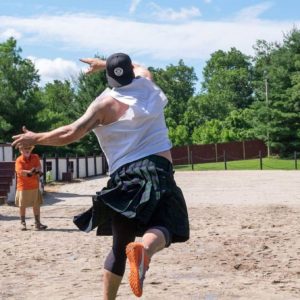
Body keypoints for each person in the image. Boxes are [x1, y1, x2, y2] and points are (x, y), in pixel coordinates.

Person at [12, 53, 189, 299]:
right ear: (130, 71)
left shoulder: (105, 104)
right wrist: (105, 63)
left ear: (109, 78)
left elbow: (70, 133)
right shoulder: (148, 83)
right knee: (167, 224)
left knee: (119, 246)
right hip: (159, 170)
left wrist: (36, 137)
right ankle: (144, 251)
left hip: (125, 176)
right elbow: (139, 66)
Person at [15, 145, 47, 231]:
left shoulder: (35, 156)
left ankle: (37, 223)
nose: (27, 150)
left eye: (29, 148)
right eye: (25, 148)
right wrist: (31, 171)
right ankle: (23, 223)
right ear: (21, 150)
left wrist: (35, 171)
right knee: (22, 205)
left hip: (34, 185)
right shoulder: (19, 160)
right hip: (23, 186)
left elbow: (39, 167)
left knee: (36, 205)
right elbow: (20, 171)